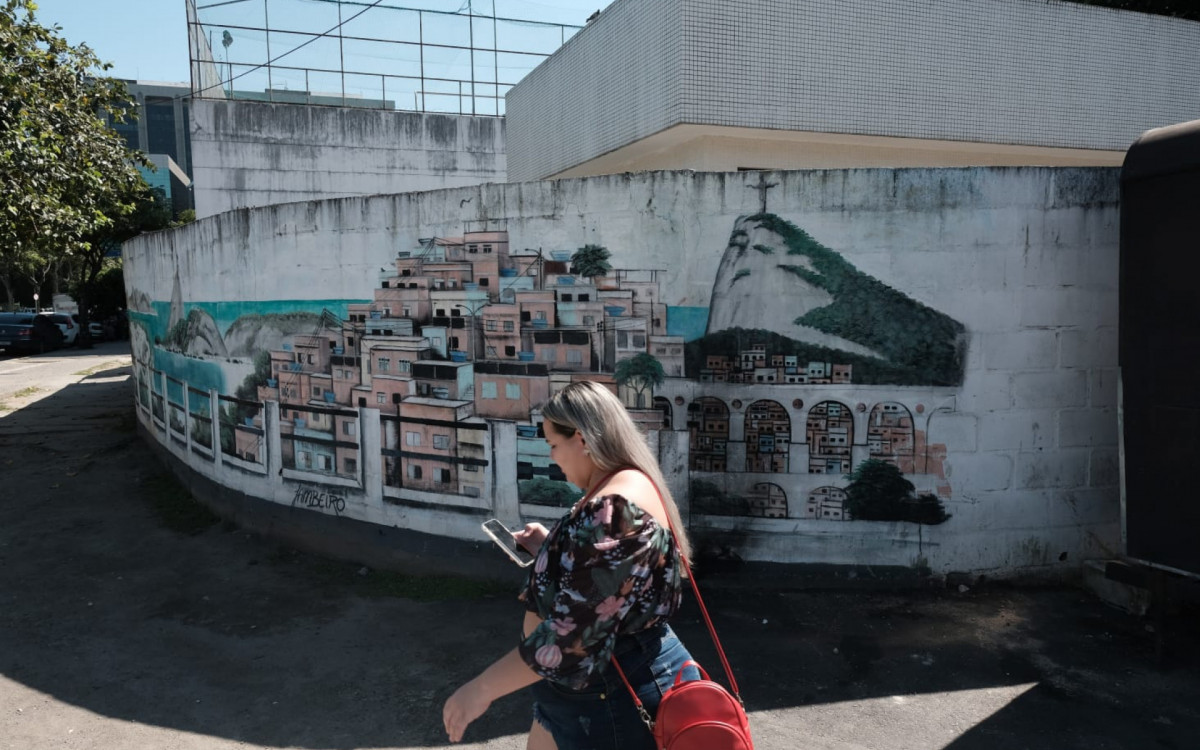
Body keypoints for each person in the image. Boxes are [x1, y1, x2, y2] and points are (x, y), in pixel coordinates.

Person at [443, 380, 698, 749]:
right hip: (585, 689)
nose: (552, 457)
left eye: (553, 444)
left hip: (609, 693)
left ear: (580, 438)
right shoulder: (620, 489)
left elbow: (572, 637)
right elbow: (610, 578)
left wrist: (480, 690)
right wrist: (552, 548)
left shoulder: (615, 509)